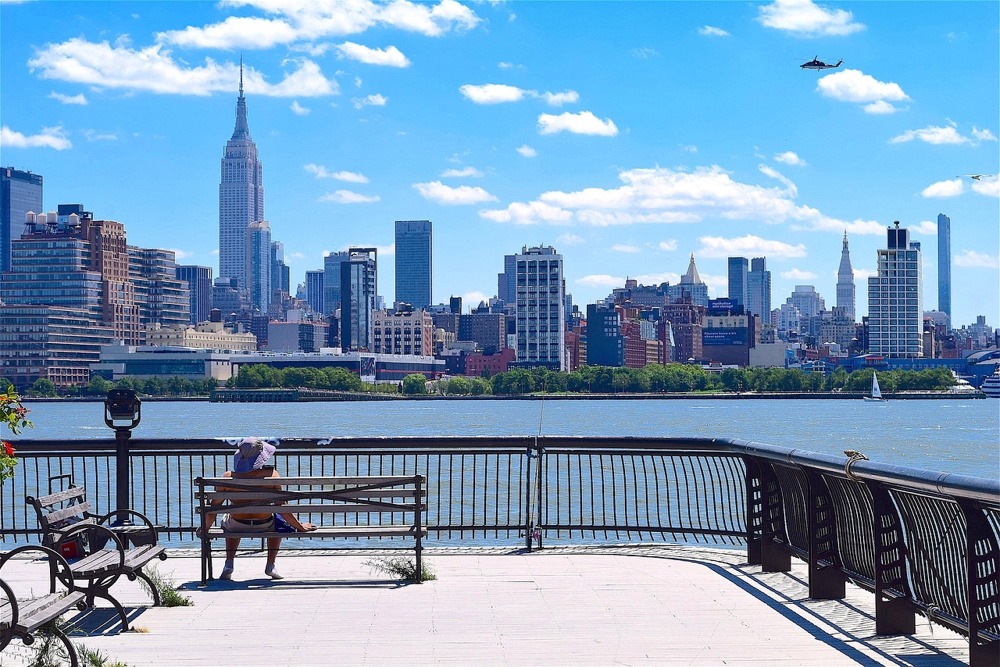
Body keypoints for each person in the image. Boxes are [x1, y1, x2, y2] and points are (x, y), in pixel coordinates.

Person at [212, 438, 317, 580]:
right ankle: (270, 565)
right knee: (278, 519)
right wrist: (300, 527)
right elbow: (283, 509)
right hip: (264, 524)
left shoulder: (227, 477)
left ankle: (229, 564)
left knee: (229, 518)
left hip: (237, 525)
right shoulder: (272, 476)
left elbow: (213, 508)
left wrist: (204, 529)